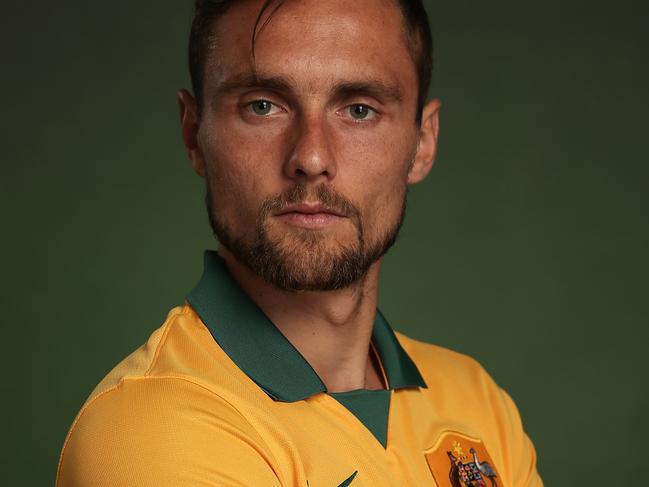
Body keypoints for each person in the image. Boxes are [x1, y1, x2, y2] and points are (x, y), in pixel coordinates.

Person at [56, 0, 543, 485]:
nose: (311, 156)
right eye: (262, 106)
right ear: (193, 133)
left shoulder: (476, 401)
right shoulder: (150, 432)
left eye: (358, 109)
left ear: (423, 142)